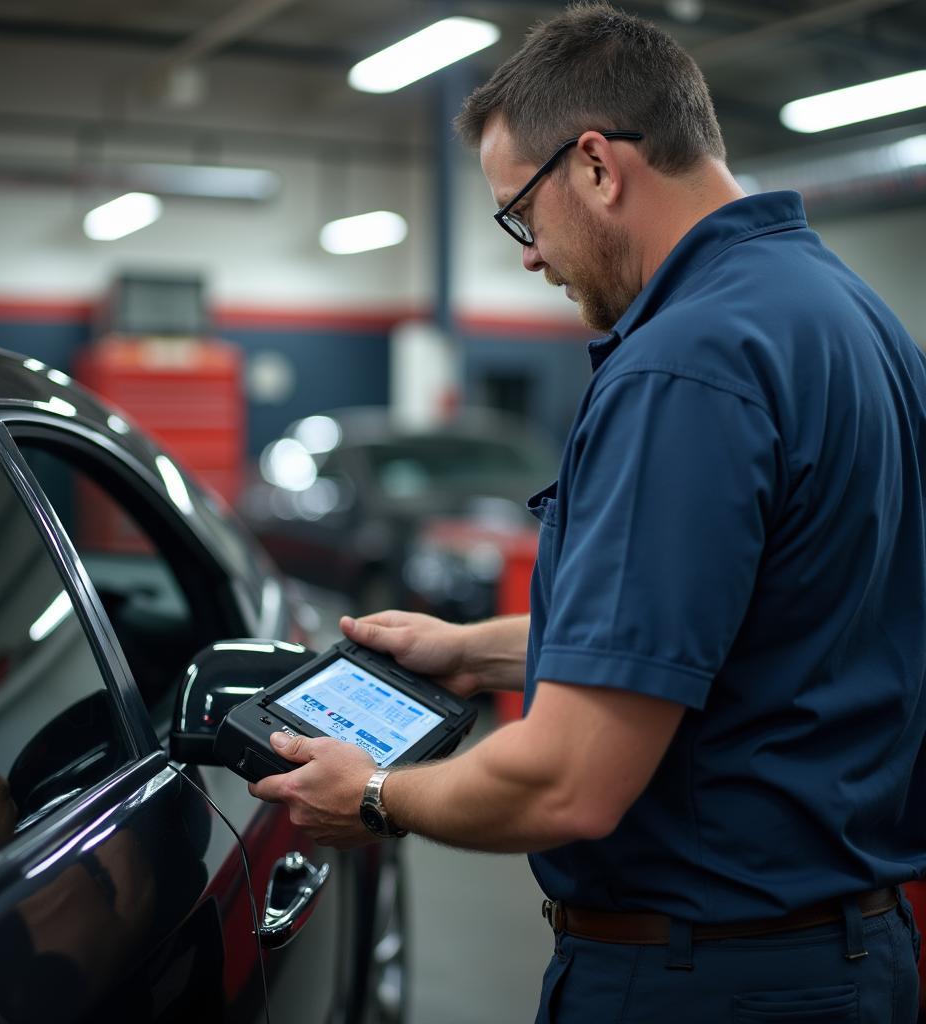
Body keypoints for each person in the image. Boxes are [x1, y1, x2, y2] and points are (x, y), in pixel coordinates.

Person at [250, 2, 926, 1019]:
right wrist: (475, 652)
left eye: (521, 212)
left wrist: (376, 795)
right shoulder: (851, 317)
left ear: (598, 167)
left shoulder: (685, 365)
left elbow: (568, 781)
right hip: (843, 956)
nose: (527, 253)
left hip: (708, 977)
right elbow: (749, 627)